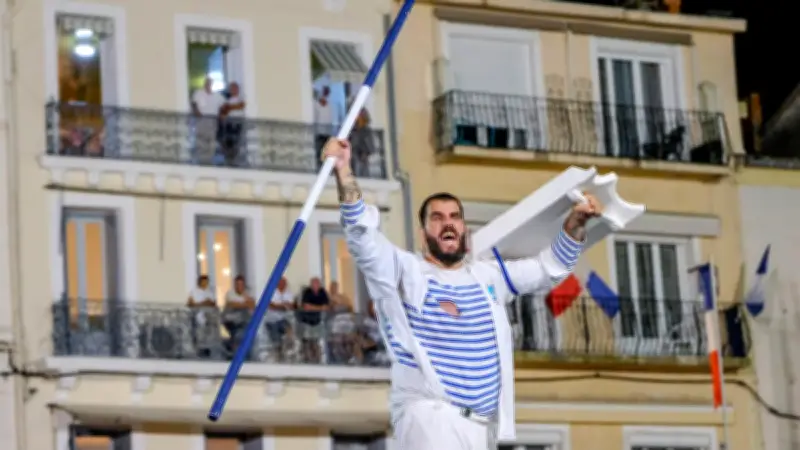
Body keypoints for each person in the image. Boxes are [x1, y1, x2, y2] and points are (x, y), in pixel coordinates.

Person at [322, 138, 602, 450]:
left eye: (454, 217)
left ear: (464, 228)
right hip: (431, 416)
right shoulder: (405, 272)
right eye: (437, 218)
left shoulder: (487, 278)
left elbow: (547, 270)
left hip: (481, 427)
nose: (448, 224)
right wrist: (344, 171)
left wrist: (576, 223)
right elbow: (362, 236)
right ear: (423, 233)